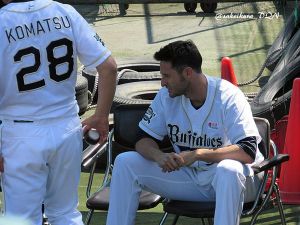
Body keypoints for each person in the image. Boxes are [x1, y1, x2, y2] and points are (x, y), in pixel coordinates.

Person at [106, 40, 264, 225]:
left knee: (228, 169)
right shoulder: (166, 96)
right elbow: (142, 139)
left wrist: (197, 154)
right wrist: (158, 156)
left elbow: (247, 151)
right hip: (189, 178)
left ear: (187, 73)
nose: (162, 82)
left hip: (236, 182)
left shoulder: (228, 96)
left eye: (167, 76)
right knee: (125, 162)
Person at [0, 0, 117, 225]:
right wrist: (101, 116)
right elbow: (109, 67)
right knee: (65, 214)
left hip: (20, 133)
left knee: (21, 219)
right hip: (67, 127)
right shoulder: (64, 12)